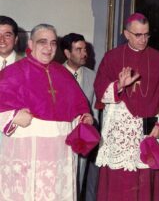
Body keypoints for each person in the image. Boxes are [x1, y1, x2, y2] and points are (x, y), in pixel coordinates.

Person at [0, 24, 93, 200]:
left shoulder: (63, 73)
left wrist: (84, 117)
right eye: (42, 42)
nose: (49, 48)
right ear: (30, 43)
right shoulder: (14, 72)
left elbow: (79, 107)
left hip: (60, 152)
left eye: (53, 43)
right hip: (27, 150)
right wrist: (12, 116)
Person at [94, 13, 159, 201]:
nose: (143, 40)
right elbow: (100, 92)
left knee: (145, 186)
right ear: (126, 34)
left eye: (147, 35)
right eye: (138, 35)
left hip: (146, 133)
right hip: (118, 135)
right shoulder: (112, 57)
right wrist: (119, 86)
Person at [60, 32, 99, 201]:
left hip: (82, 139)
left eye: (85, 49)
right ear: (67, 53)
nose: (85, 53)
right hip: (59, 136)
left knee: (79, 180)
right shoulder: (54, 73)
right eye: (79, 49)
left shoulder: (93, 77)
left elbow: (95, 111)